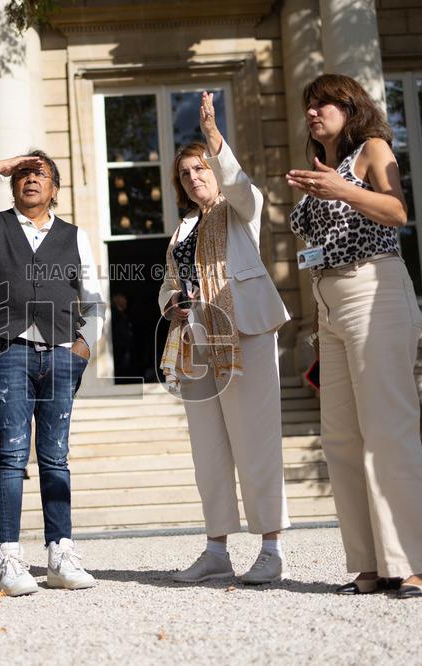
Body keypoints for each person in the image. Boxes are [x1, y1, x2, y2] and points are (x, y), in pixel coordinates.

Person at [287, 73, 422, 598]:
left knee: (387, 432)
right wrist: (317, 318)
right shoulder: (323, 168)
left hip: (374, 289)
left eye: (324, 104)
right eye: (309, 106)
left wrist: (341, 189)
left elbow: (398, 210)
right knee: (341, 440)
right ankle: (373, 565)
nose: (314, 113)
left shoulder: (372, 150)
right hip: (329, 304)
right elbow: (316, 249)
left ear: (350, 107)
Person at [0, 149, 105, 596]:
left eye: (41, 174)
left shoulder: (75, 236)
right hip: (8, 349)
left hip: (60, 353)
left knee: (55, 456)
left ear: (55, 189)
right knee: (12, 453)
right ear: (14, 184)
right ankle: (8, 559)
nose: (31, 179)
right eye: (24, 174)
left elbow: (92, 297)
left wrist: (85, 346)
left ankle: (60, 555)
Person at [158, 92, 291, 585]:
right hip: (194, 341)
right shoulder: (183, 228)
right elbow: (168, 284)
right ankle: (216, 549)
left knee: (256, 441)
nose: (195, 178)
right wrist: (171, 302)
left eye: (201, 169)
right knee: (208, 451)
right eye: (186, 174)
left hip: (244, 330)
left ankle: (272, 547)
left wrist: (214, 139)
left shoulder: (240, 211)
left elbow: (244, 190)